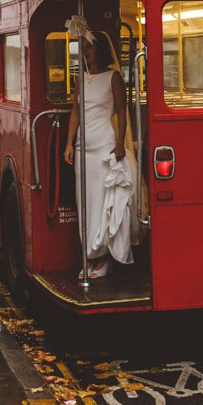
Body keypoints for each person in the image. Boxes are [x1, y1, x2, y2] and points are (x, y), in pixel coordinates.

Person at [65, 29, 136, 278]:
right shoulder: (80, 78)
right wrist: (69, 143)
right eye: (82, 46)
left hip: (104, 146)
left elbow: (121, 111)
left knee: (101, 202)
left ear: (100, 49)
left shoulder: (113, 77)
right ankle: (89, 253)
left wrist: (119, 143)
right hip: (83, 148)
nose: (85, 50)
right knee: (84, 201)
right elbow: (75, 112)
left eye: (89, 46)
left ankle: (103, 256)